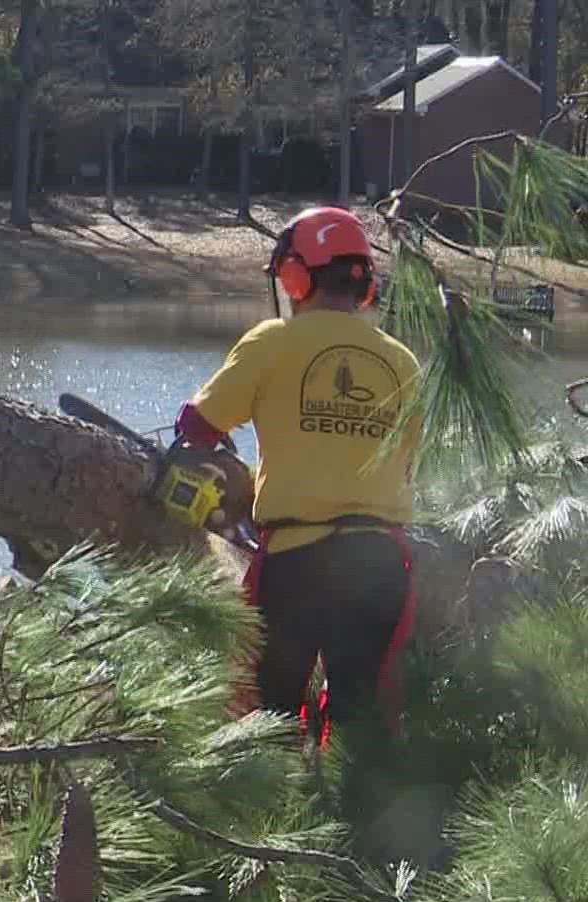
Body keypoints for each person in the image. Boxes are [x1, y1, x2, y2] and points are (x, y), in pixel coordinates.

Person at [172, 206, 425, 755]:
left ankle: (269, 824)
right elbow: (407, 466)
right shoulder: (403, 364)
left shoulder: (271, 341)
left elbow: (198, 427)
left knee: (266, 710)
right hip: (382, 562)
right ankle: (364, 829)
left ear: (296, 277)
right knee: (367, 720)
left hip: (296, 561)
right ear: (365, 286)